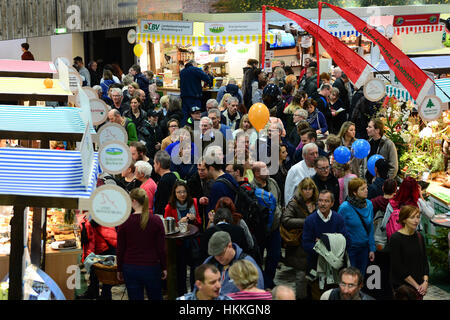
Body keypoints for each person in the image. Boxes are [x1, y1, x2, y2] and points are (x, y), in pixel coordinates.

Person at [116, 188, 167, 300]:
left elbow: (120, 248)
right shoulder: (156, 220)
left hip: (130, 267)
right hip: (152, 266)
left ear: (133, 201)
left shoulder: (124, 222)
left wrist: (119, 268)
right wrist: (164, 266)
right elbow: (161, 248)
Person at [302, 190, 350, 300]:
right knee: (317, 295)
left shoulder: (338, 219)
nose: (323, 204)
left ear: (332, 203)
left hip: (335, 268)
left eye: (326, 201)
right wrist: (325, 248)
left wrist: (324, 242)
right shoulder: (310, 220)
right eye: (320, 200)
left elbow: (346, 240)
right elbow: (306, 244)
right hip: (315, 266)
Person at [281, 177, 318, 299]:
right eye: (305, 189)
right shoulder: (294, 202)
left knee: (314, 276)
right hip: (299, 246)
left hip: (315, 245)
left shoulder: (318, 202)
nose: (308, 191)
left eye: (310, 189)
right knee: (301, 277)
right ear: (301, 190)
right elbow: (286, 220)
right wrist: (307, 221)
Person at [164, 180, 201, 295]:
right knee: (181, 272)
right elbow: (167, 229)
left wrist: (194, 219)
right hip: (179, 243)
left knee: (195, 270)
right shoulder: (170, 207)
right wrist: (179, 222)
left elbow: (200, 223)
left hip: (193, 241)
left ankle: (195, 293)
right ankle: (182, 295)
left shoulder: (193, 202)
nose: (182, 194)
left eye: (184, 192)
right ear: (174, 193)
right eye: (179, 192)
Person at [251, 162, 283, 289]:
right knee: (258, 258)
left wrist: (279, 211)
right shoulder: (251, 188)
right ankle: (261, 282)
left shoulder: (273, 183)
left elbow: (279, 199)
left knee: (274, 256)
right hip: (260, 230)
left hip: (275, 228)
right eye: (264, 169)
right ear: (257, 173)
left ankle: (269, 281)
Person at [389, 205, 429, 300]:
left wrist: (425, 282)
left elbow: (424, 261)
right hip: (403, 288)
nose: (416, 220)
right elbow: (398, 267)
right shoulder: (395, 239)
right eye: (412, 217)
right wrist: (416, 286)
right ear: (404, 220)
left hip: (419, 286)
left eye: (418, 217)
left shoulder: (419, 237)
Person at [337, 178, 375, 276]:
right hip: (350, 249)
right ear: (354, 192)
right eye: (362, 189)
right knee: (350, 276)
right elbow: (338, 229)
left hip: (364, 248)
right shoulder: (344, 207)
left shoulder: (369, 204)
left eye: (366, 188)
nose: (366, 190)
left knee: (361, 277)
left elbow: (371, 228)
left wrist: (372, 248)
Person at [77, 215, 117, 300]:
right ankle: (93, 292)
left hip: (106, 246)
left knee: (107, 275)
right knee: (94, 271)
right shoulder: (91, 215)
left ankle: (105, 296)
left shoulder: (100, 215)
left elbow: (110, 236)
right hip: (100, 246)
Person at [180, 60, 213, 126]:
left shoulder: (182, 71)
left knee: (185, 117)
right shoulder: (196, 69)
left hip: (184, 98)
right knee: (196, 117)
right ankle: (197, 134)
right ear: (194, 64)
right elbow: (207, 79)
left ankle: (185, 131)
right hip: (194, 98)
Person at [153, 150, 178, 216]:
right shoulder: (174, 176)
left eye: (154, 163)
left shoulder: (164, 181)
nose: (154, 165)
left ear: (158, 164)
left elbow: (162, 203)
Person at [271, 143, 292, 207]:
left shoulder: (284, 165)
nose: (286, 153)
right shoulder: (273, 169)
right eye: (283, 152)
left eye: (286, 151)